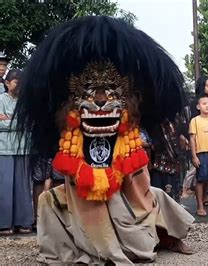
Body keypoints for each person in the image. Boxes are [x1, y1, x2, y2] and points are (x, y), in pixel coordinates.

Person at [14, 16, 194, 263]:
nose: (100, 99)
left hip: (124, 171)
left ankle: (167, 237)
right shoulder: (70, 124)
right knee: (50, 200)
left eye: (109, 91)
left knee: (148, 196)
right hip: (85, 179)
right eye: (91, 91)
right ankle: (94, 244)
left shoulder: (128, 119)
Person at [0, 69, 33, 236]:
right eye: (15, 82)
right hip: (4, 148)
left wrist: (8, 119)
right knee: (5, 186)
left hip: (23, 147)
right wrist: (18, 122)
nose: (18, 85)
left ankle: (24, 221)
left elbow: (30, 122)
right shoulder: (0, 99)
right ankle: (4, 224)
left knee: (23, 187)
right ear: (7, 83)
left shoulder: (26, 102)